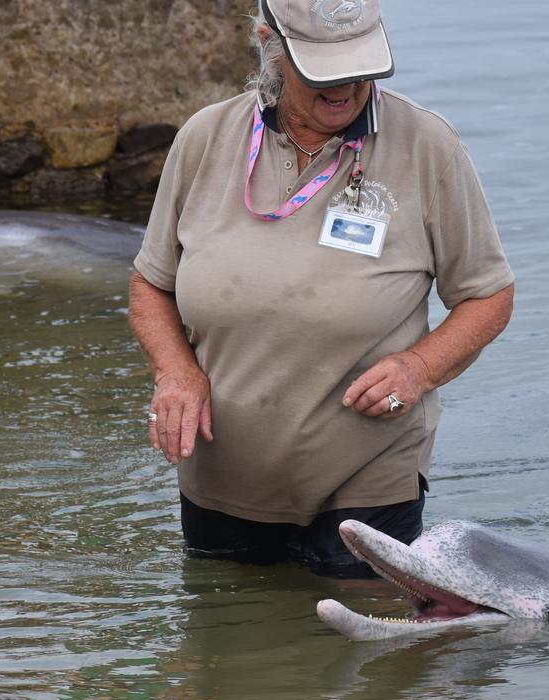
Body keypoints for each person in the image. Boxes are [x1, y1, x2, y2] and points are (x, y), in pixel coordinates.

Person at [127, 0, 514, 578]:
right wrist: (175, 371)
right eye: (325, 71)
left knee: (368, 651)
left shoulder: (429, 147)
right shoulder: (205, 137)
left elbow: (489, 295)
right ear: (268, 45)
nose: (347, 88)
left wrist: (418, 368)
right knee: (224, 652)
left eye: (361, 67)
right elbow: (151, 284)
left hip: (368, 476)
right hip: (220, 480)